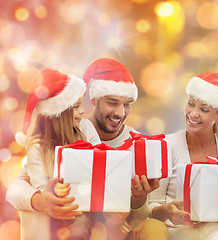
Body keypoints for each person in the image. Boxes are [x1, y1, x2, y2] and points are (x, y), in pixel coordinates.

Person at [6, 58, 167, 239]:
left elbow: (141, 217)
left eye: (127, 104)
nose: (121, 113)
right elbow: (16, 189)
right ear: (94, 100)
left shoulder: (138, 145)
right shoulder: (46, 143)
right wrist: (41, 199)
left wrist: (137, 199)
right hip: (70, 212)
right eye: (112, 103)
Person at [138, 72, 218, 240]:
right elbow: (152, 207)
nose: (193, 113)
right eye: (191, 104)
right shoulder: (167, 145)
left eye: (204, 109)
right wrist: (167, 211)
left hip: (215, 229)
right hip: (174, 230)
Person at [8, 68, 91, 240]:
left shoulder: (84, 129)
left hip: (84, 204)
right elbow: (39, 188)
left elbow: (99, 157)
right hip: (57, 211)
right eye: (76, 107)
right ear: (58, 115)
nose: (82, 111)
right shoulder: (37, 148)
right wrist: (53, 190)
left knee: (82, 219)